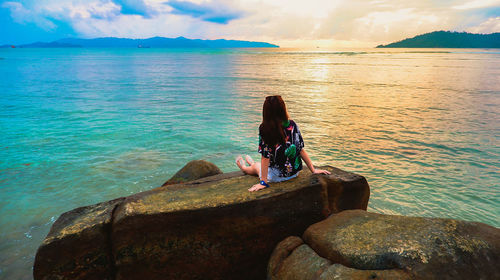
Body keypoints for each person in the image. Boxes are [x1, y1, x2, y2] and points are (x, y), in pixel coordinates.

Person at [236, 95, 331, 192]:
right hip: (294, 172)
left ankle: (244, 168)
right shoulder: (292, 124)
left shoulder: (265, 129)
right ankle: (252, 164)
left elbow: (265, 157)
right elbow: (300, 149)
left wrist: (263, 182)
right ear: (283, 108)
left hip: (277, 176)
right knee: (260, 165)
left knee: (257, 167)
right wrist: (313, 170)